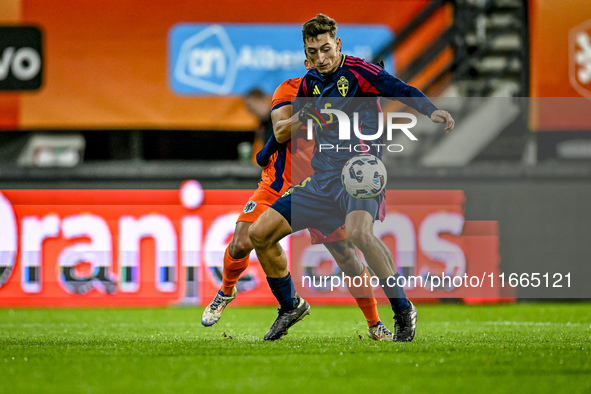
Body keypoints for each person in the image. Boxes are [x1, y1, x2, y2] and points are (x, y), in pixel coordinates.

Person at [249, 14, 455, 342]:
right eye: (313, 51)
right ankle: (291, 306)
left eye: (326, 49)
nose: (321, 57)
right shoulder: (308, 84)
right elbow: (288, 130)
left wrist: (431, 110)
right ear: (306, 53)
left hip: (361, 171)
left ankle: (403, 310)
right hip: (322, 179)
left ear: (338, 45)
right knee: (259, 234)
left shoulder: (360, 72)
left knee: (359, 233)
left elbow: (400, 89)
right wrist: (265, 154)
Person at [201, 60, 395, 342]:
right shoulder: (288, 89)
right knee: (242, 240)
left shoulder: (345, 91)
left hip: (321, 186)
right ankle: (227, 291)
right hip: (278, 184)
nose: (322, 62)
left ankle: (375, 323)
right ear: (308, 61)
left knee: (346, 255)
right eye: (314, 54)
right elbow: (280, 131)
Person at [243, 88, 274, 164]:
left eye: (250, 106)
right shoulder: (262, 126)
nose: (250, 111)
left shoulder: (279, 117)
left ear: (261, 100)